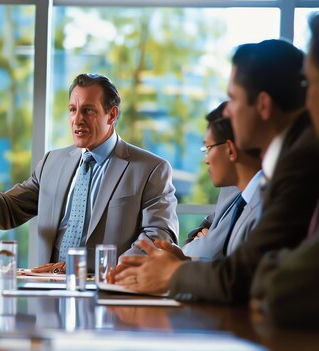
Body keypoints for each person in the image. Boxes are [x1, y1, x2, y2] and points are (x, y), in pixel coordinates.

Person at [115, 39, 319, 304]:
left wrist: (175, 273)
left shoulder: (300, 162)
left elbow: (247, 276)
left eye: (233, 98)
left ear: (264, 105)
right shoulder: (284, 161)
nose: (227, 112)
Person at [0, 73, 179, 271]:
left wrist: (88, 271)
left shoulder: (150, 169)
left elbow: (158, 238)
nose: (77, 120)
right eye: (73, 110)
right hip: (45, 289)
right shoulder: (53, 162)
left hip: (108, 292)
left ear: (111, 115)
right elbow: (8, 211)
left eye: (88, 110)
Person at [249, 14, 319, 327]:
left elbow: (280, 290)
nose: (309, 99)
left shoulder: (301, 157)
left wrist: (272, 272)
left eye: (312, 83)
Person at [182, 102, 263, 260]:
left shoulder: (264, 200)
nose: (206, 160)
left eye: (208, 148)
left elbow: (212, 251)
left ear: (230, 149)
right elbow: (203, 238)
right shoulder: (231, 188)